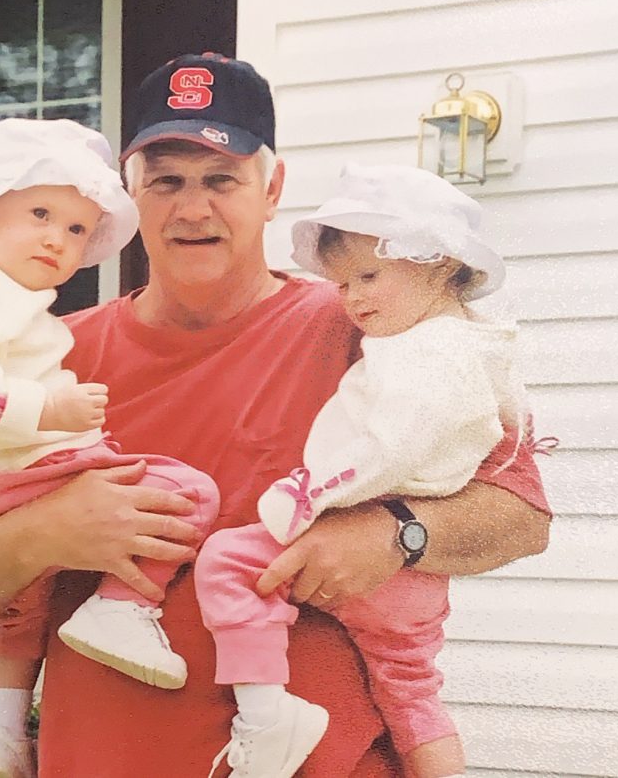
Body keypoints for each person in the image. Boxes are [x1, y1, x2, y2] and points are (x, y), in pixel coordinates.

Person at [0, 53, 552, 777]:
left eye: (221, 179)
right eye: (166, 180)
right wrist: (49, 530)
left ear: (273, 190)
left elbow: (520, 516)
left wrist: (397, 534)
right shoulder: (41, 357)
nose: (192, 208)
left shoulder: (375, 328)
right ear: (130, 195)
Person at [0, 117, 220, 778]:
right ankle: (121, 609)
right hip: (19, 469)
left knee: (25, 611)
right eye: (40, 213)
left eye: (76, 229)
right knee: (184, 491)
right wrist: (46, 406)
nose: (57, 237)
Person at [196, 163, 532, 778]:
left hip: (375, 541)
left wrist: (311, 494)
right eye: (343, 283)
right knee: (412, 696)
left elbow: (389, 448)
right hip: (418, 587)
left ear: (437, 264)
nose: (351, 299)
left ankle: (268, 717)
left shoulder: (425, 354)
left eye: (369, 276)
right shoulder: (469, 344)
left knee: (227, 563)